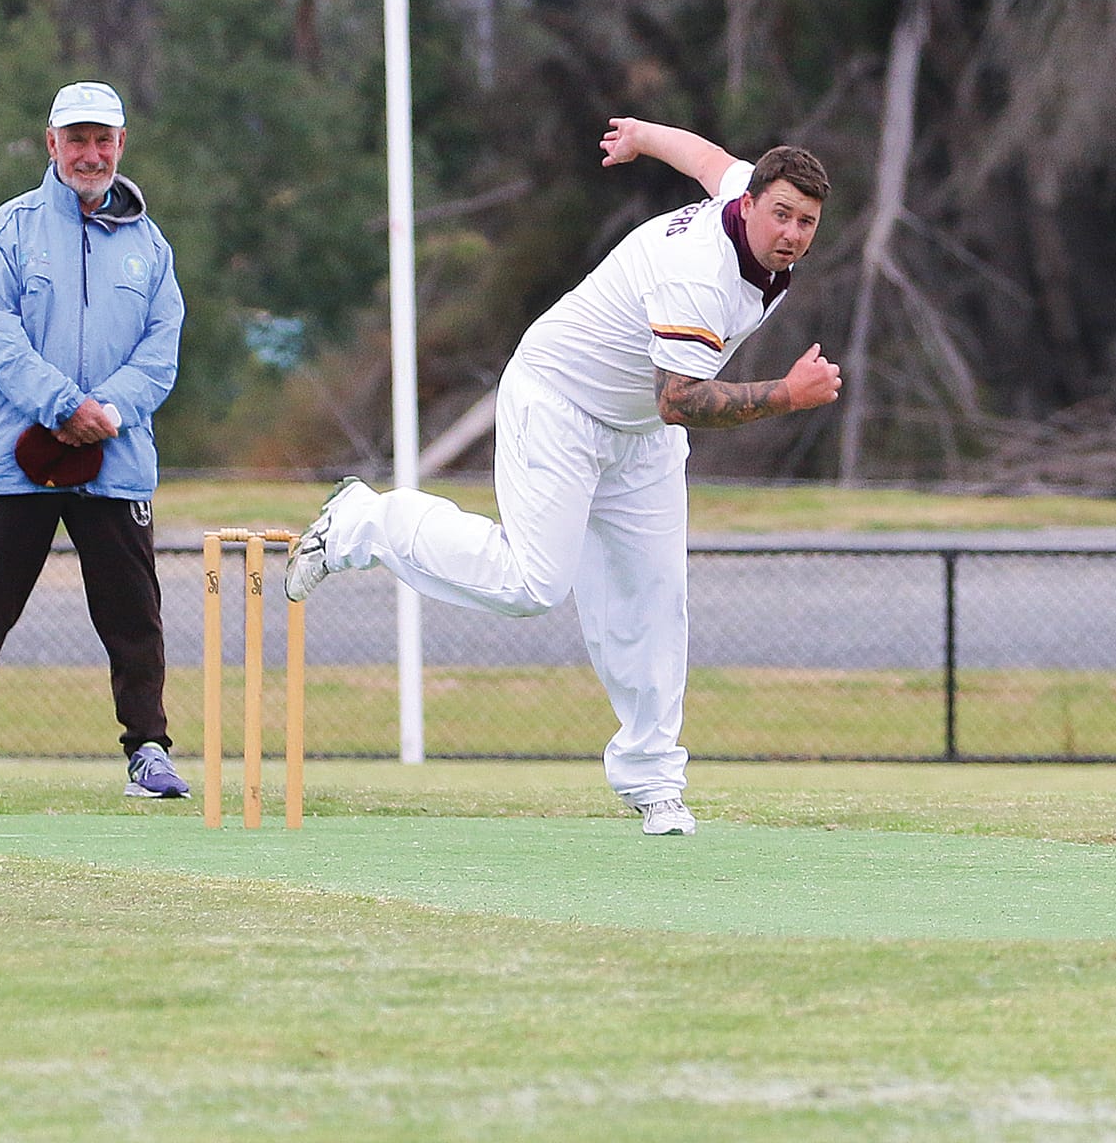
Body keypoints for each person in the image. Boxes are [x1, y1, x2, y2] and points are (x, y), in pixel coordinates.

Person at [284, 117, 840, 836]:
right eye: (782, 215)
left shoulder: (741, 191)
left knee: (655, 598)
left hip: (638, 435)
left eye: (807, 222)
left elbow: (705, 156)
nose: (792, 233)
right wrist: (786, 395)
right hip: (561, 403)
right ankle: (366, 520)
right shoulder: (699, 277)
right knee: (532, 584)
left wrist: (640, 133)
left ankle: (652, 780)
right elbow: (683, 400)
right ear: (752, 205)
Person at [0, 81, 188, 799]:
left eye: (102, 139)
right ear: (51, 144)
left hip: (116, 459)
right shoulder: (8, 231)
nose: (90, 152)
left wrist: (109, 411)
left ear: (121, 145)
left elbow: (161, 351)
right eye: (76, 139)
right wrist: (65, 405)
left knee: (134, 620)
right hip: (16, 457)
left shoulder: (151, 246)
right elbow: (1, 343)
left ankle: (148, 751)